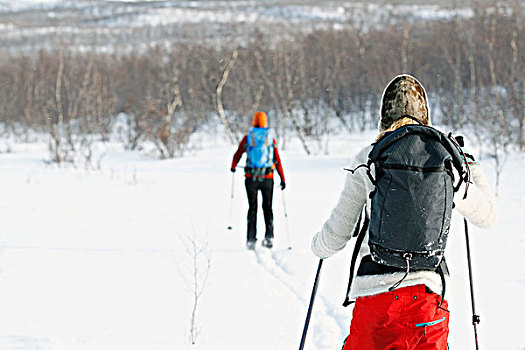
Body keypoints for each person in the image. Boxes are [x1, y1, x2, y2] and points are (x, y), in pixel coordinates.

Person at [311, 74, 497, 349]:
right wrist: (469, 165)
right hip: (426, 303)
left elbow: (337, 235)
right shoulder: (446, 159)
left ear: (384, 116)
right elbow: (488, 216)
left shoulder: (369, 157)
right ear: (426, 116)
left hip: (375, 304)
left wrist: (318, 247)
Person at [231, 111, 286, 250]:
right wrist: (282, 178)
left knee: (252, 208)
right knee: (267, 208)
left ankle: (251, 239)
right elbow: (277, 160)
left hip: (251, 179)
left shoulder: (248, 138)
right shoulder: (270, 138)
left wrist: (233, 167)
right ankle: (269, 237)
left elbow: (237, 154)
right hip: (268, 178)